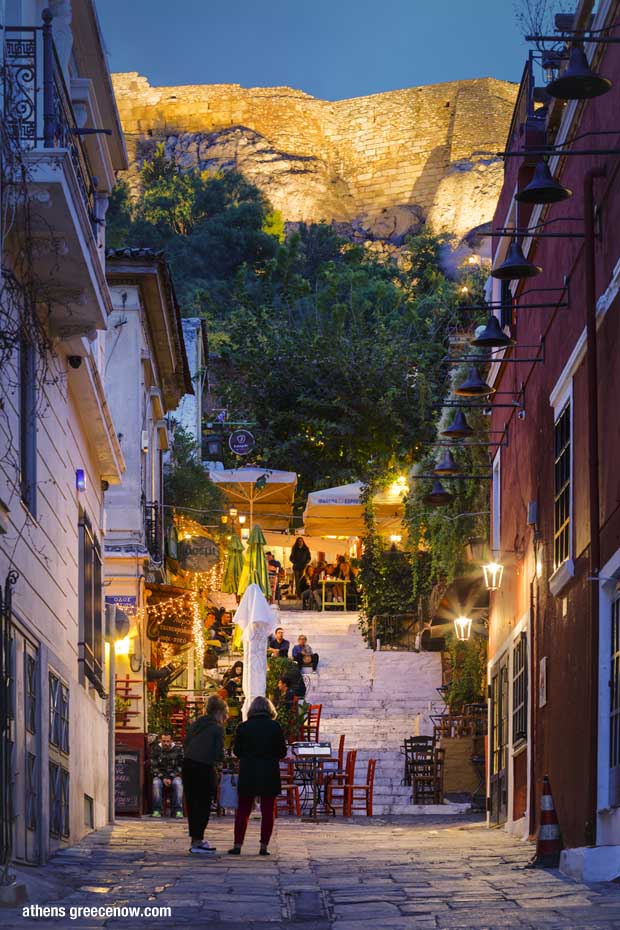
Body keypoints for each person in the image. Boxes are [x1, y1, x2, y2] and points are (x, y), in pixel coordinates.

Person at [228, 696, 288, 856]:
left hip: (249, 771)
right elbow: (282, 752)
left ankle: (237, 844)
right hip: (269, 772)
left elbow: (237, 751)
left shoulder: (243, 727)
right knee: (268, 810)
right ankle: (263, 846)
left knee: (243, 810)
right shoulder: (275, 727)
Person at [182, 694, 228, 854]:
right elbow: (218, 754)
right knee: (203, 804)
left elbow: (186, 742)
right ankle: (198, 841)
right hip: (203, 767)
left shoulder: (196, 724)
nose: (226, 718)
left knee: (192, 803)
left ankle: (195, 840)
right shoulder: (217, 728)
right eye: (225, 714)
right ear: (219, 712)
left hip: (188, 765)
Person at [151, 734, 184, 818]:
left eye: (168, 741)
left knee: (178, 784)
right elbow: (153, 766)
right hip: (160, 776)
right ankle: (157, 810)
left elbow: (180, 766)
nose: (166, 743)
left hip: (174, 775)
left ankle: (178, 810)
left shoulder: (178, 749)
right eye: (164, 741)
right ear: (160, 741)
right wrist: (163, 778)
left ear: (171, 741)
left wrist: (171, 777)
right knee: (156, 783)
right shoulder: (156, 749)